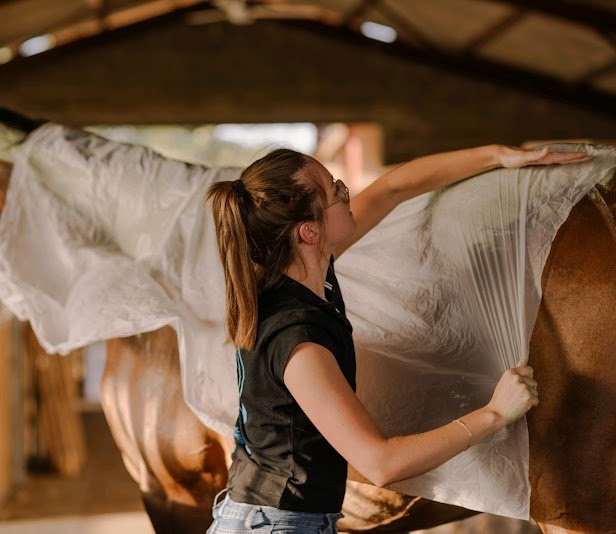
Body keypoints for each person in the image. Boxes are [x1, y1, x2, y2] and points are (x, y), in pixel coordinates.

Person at [204, 144, 593, 533]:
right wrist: (494, 414)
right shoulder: (298, 341)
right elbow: (379, 463)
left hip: (273, 519)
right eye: (335, 190)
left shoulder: (299, 276)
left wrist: (499, 156)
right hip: (276, 525)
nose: (348, 193)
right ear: (308, 231)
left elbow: (393, 188)